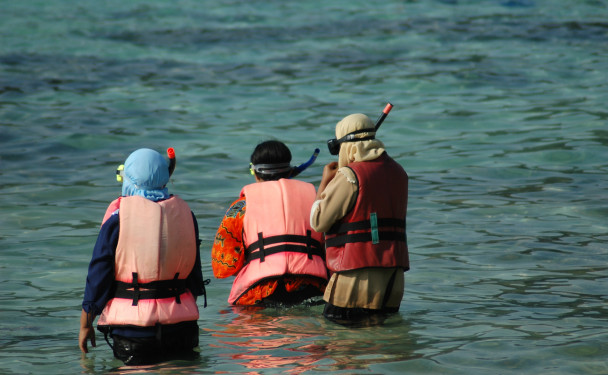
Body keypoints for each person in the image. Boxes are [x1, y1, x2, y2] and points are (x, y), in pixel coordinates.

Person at [79, 148, 207, 365]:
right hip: (182, 329)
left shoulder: (117, 220)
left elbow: (99, 274)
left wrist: (85, 324)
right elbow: (194, 272)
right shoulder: (186, 215)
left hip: (134, 334)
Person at [310, 113, 409, 326]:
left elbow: (318, 221)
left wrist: (325, 183)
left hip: (355, 275)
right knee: (383, 345)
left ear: (344, 145)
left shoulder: (348, 176)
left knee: (342, 347)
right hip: (394, 277)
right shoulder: (399, 172)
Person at [211, 140, 328, 306]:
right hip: (313, 285)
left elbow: (224, 265)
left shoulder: (241, 206)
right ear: (290, 171)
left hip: (261, 291)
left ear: (256, 173)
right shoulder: (316, 200)